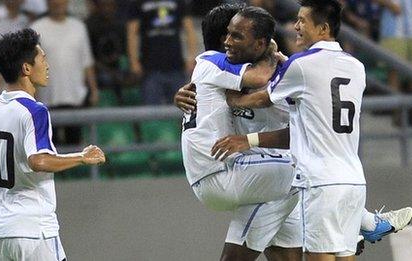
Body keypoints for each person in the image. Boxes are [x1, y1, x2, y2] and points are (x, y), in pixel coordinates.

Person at [0, 28, 106, 260]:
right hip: (33, 231)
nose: (47, 65)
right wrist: (81, 157)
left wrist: (10, 169)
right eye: (43, 58)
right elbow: (38, 161)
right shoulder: (34, 111)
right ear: (26, 68)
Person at [181, 5, 303, 261]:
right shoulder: (214, 62)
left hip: (251, 171)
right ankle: (357, 223)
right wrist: (272, 51)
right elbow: (261, 77)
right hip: (225, 169)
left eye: (237, 35)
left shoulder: (221, 76)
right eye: (231, 34)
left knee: (286, 250)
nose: (230, 41)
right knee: (308, 167)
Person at [31, 0, 99, 145]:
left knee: (74, 148)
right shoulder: (36, 29)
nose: (57, 3)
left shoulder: (79, 27)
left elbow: (87, 61)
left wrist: (93, 90)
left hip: (75, 97)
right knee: (49, 148)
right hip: (47, 98)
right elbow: (32, 66)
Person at [126, 0, 198, 105]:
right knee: (151, 112)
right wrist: (133, 62)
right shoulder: (138, 3)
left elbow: (190, 30)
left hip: (176, 66)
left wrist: (191, 58)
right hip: (150, 68)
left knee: (182, 110)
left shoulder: (179, 2)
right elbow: (132, 33)